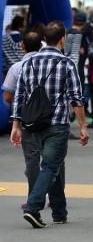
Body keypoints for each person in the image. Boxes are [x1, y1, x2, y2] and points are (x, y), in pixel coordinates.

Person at [10, 21, 89, 228]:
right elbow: (76, 98)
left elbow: (19, 96)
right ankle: (33, 207)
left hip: (31, 124)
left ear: (45, 38)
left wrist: (15, 125)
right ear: (63, 39)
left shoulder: (28, 62)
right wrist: (82, 126)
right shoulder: (66, 63)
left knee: (52, 166)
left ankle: (59, 212)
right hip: (56, 125)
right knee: (51, 166)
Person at [3, 31, 42, 206]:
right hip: (51, 118)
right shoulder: (51, 64)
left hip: (27, 118)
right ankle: (57, 198)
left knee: (32, 160)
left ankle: (34, 198)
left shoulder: (17, 67)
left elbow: (7, 97)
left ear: (22, 46)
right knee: (53, 159)